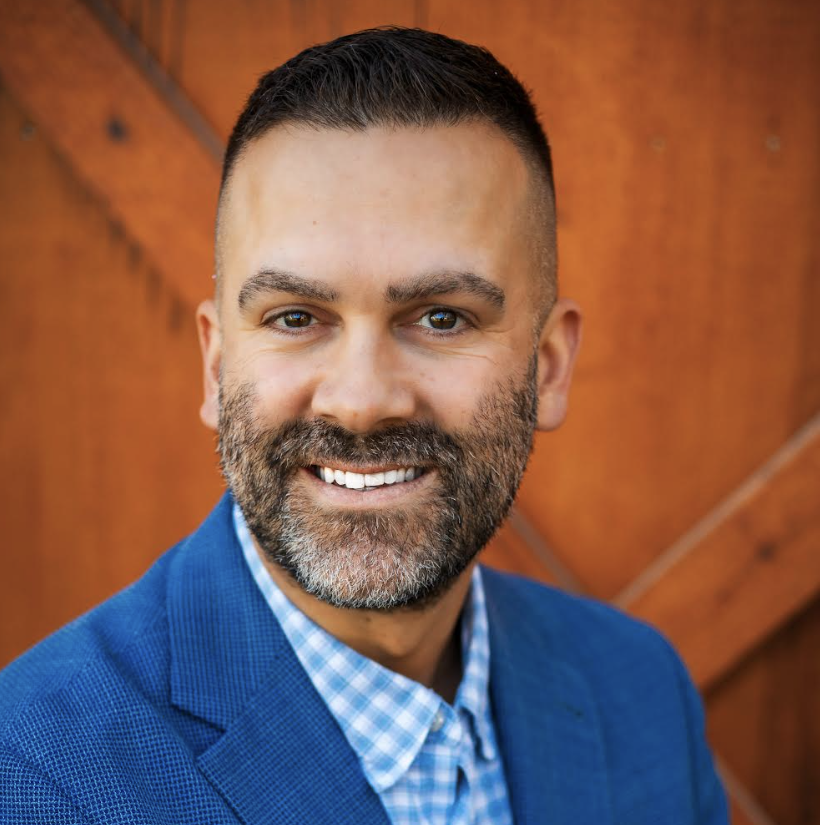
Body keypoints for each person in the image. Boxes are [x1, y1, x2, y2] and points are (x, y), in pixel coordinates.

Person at [0, 27, 728, 825]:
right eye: (296, 317)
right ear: (216, 365)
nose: (361, 401)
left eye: (442, 317)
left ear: (547, 367)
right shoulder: (38, 774)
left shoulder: (640, 691)